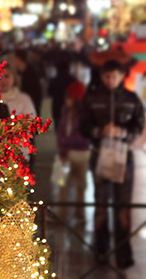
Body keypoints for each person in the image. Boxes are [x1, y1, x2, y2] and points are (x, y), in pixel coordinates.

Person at [81, 60, 146, 269]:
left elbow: (140, 123)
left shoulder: (131, 98)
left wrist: (123, 133)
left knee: (123, 207)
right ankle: (101, 251)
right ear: (101, 76)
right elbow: (82, 125)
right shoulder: (91, 97)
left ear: (121, 77)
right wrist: (98, 132)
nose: (111, 81)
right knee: (101, 204)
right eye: (107, 77)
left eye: (115, 77)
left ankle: (123, 253)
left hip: (123, 157)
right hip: (100, 154)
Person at [56, 80, 91, 222]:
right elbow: (61, 131)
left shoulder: (84, 115)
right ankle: (61, 214)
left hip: (81, 154)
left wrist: (64, 142)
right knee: (61, 184)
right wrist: (62, 148)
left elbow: (83, 137)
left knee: (81, 186)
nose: (67, 100)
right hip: (65, 153)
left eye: (69, 97)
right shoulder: (65, 112)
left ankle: (79, 214)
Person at [12, 49, 43, 118]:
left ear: (18, 59)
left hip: (30, 110)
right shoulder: (21, 73)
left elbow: (34, 94)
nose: (13, 61)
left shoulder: (30, 74)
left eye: (14, 58)